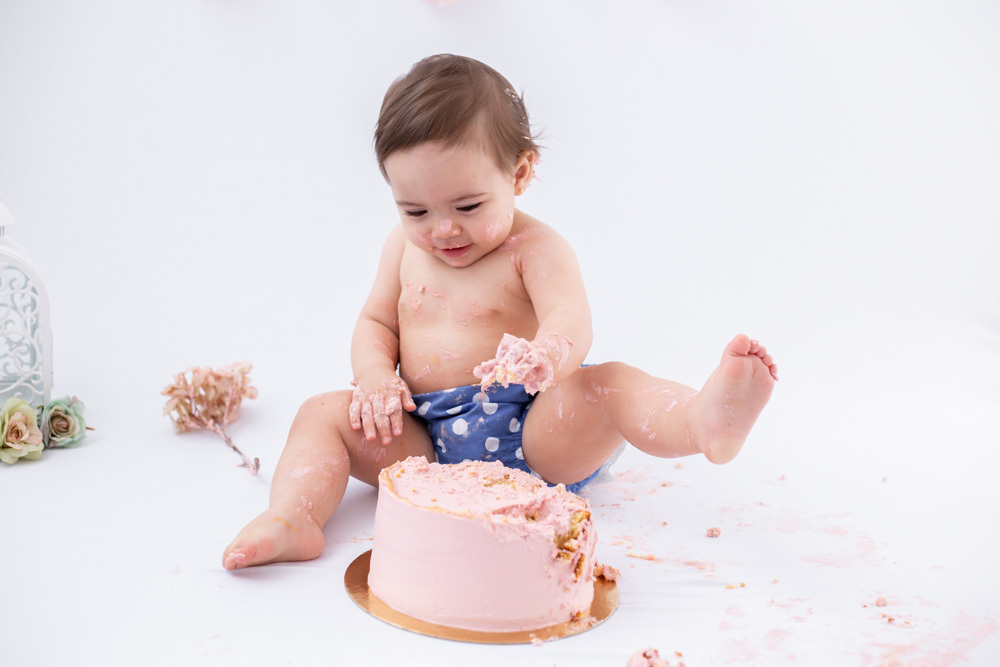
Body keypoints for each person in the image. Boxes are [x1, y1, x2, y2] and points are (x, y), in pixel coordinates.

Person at [222, 54, 777, 570]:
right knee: (321, 412)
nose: (442, 229)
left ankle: (700, 420)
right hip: (424, 441)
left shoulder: (534, 250)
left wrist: (547, 356)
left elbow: (572, 320)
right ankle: (294, 517)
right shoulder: (401, 248)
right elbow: (376, 323)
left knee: (608, 387)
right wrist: (373, 379)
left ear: (518, 175)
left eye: (467, 206)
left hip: (535, 430)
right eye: (415, 209)